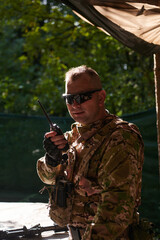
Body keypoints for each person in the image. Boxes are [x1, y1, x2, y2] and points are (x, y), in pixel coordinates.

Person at [37, 65, 144, 240]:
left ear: (101, 97)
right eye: (69, 98)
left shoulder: (120, 137)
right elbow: (47, 178)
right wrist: (51, 160)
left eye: (83, 97)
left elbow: (117, 208)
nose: (75, 105)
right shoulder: (71, 138)